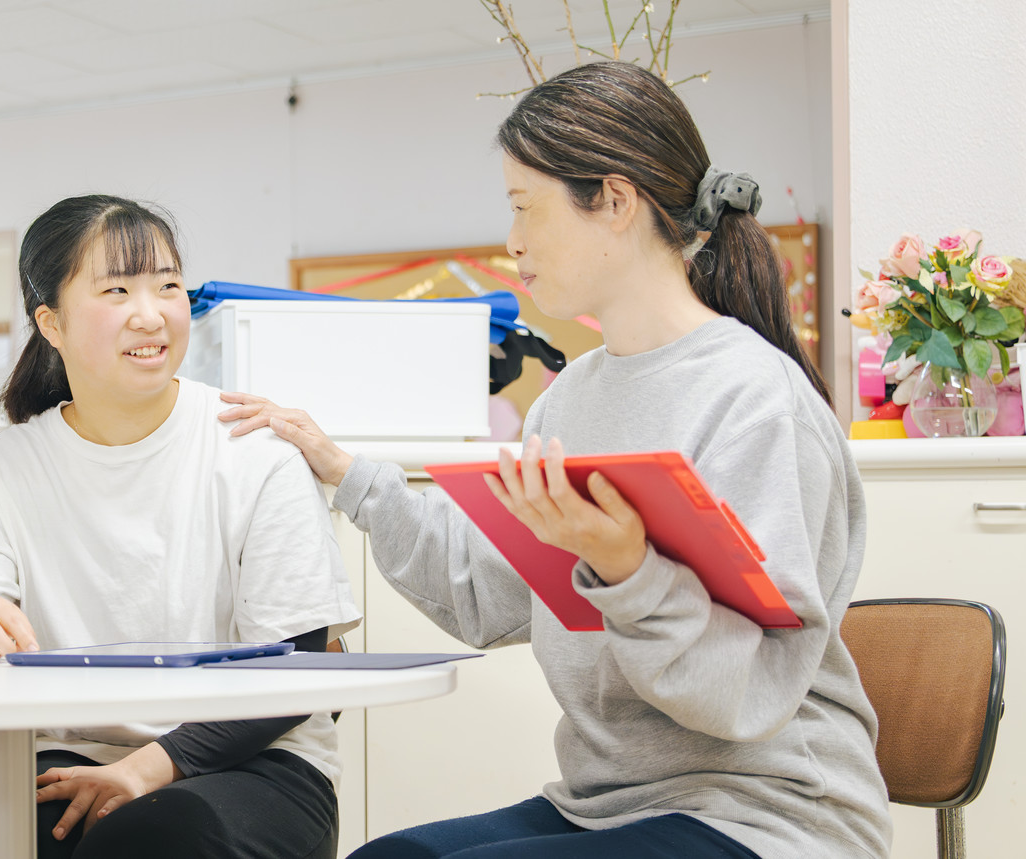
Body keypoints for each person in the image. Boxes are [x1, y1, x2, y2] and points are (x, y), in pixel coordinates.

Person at [220, 62, 892, 859]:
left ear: (614, 200)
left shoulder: (755, 401)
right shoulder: (570, 402)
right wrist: (346, 472)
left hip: (768, 814)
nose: (511, 240)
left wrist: (629, 567)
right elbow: (489, 593)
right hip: (608, 803)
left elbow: (745, 693)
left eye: (523, 206)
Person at [0, 194, 361, 859]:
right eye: (116, 289)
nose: (150, 314)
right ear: (51, 323)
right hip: (73, 755)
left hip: (253, 762)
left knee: (147, 842)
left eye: (168, 286)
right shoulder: (11, 462)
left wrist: (141, 769)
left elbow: (294, 671)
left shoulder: (254, 449)